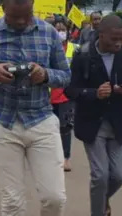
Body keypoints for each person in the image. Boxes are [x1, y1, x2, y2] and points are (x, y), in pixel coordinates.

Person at [0, 0, 70, 216]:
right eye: (16, 17)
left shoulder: (49, 33)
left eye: (28, 15)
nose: (23, 21)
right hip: (2, 123)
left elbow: (65, 77)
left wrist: (44, 75)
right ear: (3, 8)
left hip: (41, 120)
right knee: (13, 203)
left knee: (54, 198)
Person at [64, 15, 122, 216]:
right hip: (92, 124)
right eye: (114, 39)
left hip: (118, 122)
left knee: (120, 175)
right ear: (101, 35)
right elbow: (70, 89)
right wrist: (93, 93)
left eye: (121, 38)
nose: (118, 43)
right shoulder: (83, 55)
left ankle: (102, 198)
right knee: (100, 176)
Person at [51, 19, 78, 172]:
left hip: (67, 96)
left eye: (63, 30)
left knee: (66, 127)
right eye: (57, 29)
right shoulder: (48, 48)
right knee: (50, 129)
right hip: (49, 95)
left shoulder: (75, 49)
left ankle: (66, 157)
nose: (60, 32)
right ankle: (53, 157)